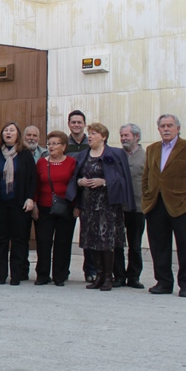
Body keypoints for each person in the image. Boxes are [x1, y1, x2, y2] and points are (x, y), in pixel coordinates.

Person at [67, 123, 133, 292]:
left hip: (107, 206)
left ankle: (109, 277)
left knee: (106, 241)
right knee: (92, 241)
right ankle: (98, 275)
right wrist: (80, 181)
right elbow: (76, 175)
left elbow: (122, 179)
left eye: (94, 133)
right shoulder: (83, 155)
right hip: (88, 205)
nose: (90, 136)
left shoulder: (115, 154)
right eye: (89, 133)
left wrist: (103, 182)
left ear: (103, 136)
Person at [142, 114, 186, 298]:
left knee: (185, 245)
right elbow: (146, 176)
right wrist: (146, 196)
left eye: (170, 125)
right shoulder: (152, 149)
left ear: (178, 128)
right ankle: (163, 282)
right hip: (155, 203)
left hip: (180, 204)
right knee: (158, 245)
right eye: (162, 126)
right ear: (158, 129)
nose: (166, 129)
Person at [0, 122, 38, 285]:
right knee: (1, 240)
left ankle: (16, 275)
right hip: (0, 204)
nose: (8, 133)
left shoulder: (25, 154)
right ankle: (2, 274)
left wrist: (30, 198)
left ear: (18, 135)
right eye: (5, 130)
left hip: (19, 204)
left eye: (11, 130)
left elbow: (33, 178)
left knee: (19, 240)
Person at [33, 131, 78, 286]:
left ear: (64, 146)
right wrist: (34, 205)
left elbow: (76, 185)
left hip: (66, 208)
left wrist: (77, 206)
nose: (51, 147)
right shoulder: (41, 163)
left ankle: (60, 275)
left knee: (63, 242)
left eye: (55, 143)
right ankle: (43, 275)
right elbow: (36, 185)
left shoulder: (71, 162)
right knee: (43, 241)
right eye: (49, 143)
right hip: (45, 208)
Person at [66, 109, 96, 283]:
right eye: (73, 122)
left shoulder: (91, 143)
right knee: (65, 235)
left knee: (89, 236)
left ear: (84, 124)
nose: (76, 125)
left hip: (89, 196)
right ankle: (63, 271)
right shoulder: (64, 144)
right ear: (69, 124)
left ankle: (90, 270)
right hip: (69, 195)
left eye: (79, 122)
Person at [115, 123, 147, 289]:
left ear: (137, 137)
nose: (123, 138)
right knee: (117, 243)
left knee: (134, 244)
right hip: (119, 207)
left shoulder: (146, 156)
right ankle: (119, 276)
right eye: (121, 135)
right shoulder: (117, 155)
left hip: (138, 207)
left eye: (126, 135)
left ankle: (133, 277)